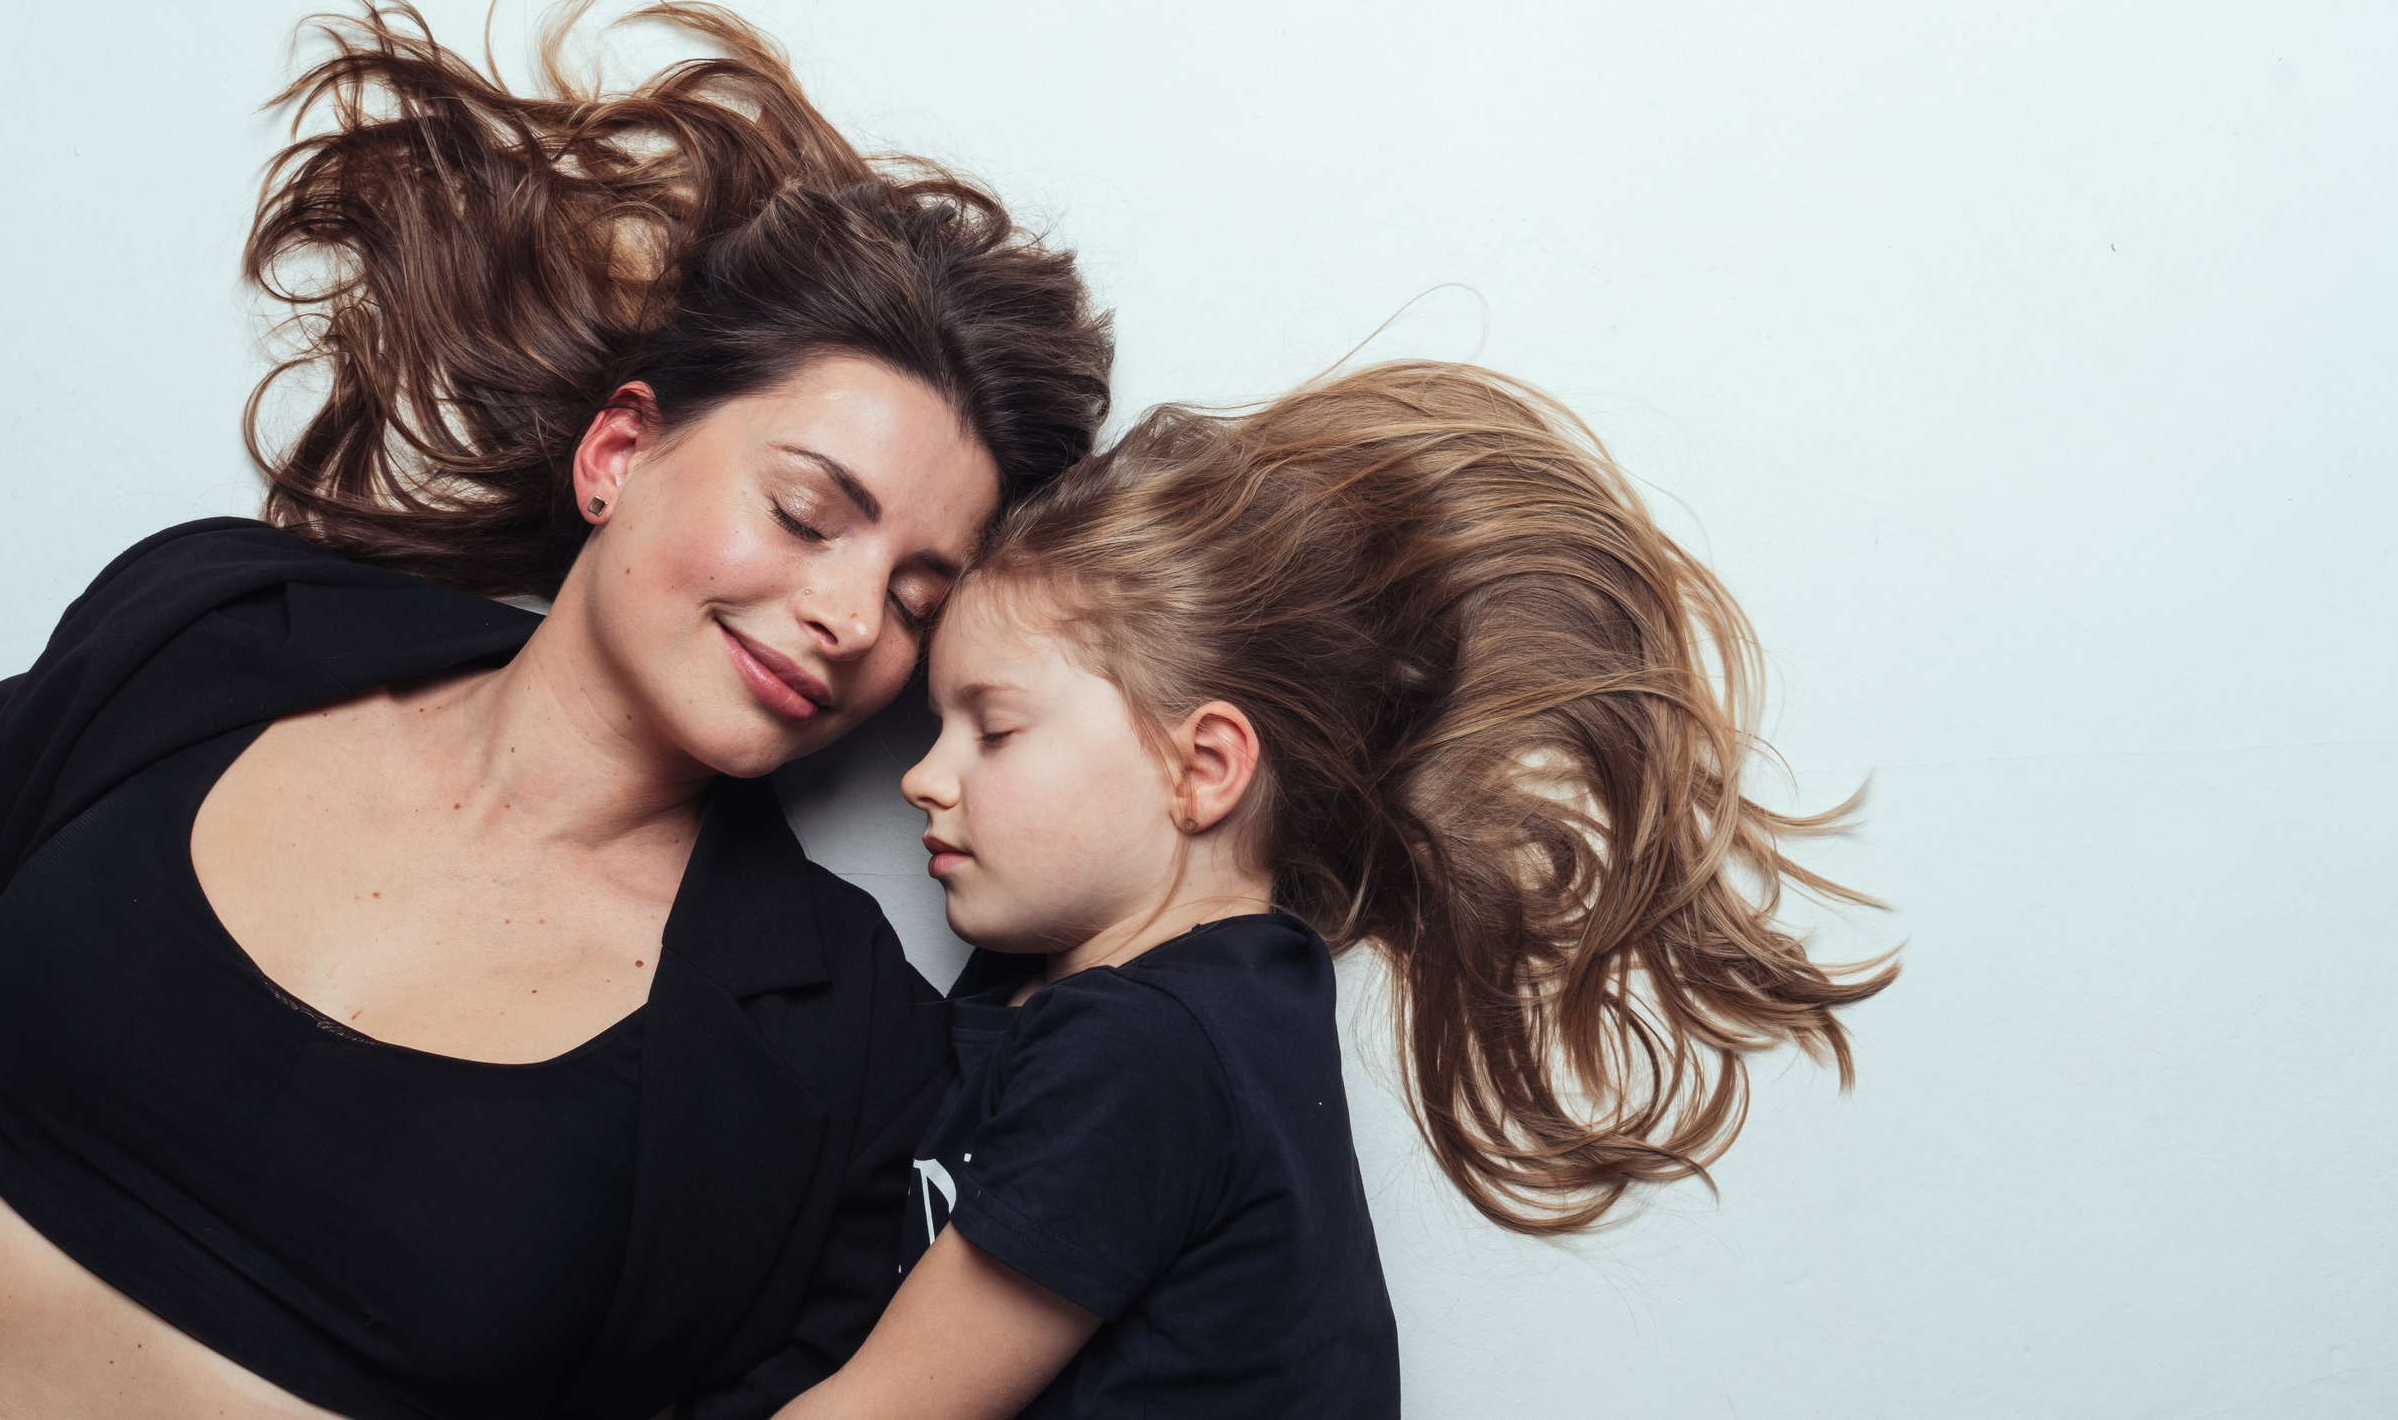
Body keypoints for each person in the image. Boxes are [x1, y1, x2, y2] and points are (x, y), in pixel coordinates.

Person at [0, 0, 1113, 1420]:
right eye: (807, 509)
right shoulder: (207, 627)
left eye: (916, 600)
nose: (847, 614)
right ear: (620, 451)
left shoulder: (847, 1057)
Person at [771, 360, 1898, 1420]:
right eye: (934, 729)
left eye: (994, 728)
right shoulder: (1184, 998)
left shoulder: (1144, 1055)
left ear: (1202, 768)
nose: (923, 776)